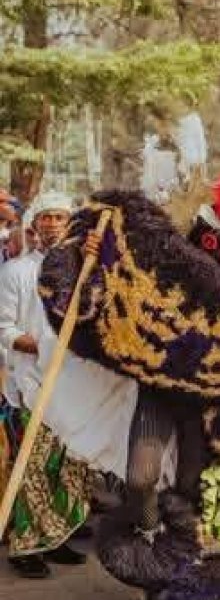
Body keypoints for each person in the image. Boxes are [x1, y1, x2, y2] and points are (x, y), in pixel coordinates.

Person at [38, 170, 220, 600]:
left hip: (208, 403)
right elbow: (121, 282)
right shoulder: (172, 256)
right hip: (156, 390)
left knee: (190, 490)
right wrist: (97, 253)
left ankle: (184, 563)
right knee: (141, 477)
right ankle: (151, 549)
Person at [0, 191, 90, 579]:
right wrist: (45, 347)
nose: (53, 222)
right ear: (34, 225)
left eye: (60, 216)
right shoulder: (16, 271)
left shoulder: (80, 272)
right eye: (46, 217)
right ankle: (24, 547)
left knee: (67, 466)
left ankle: (54, 537)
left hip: (72, 386)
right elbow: (4, 328)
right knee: (33, 467)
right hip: (31, 381)